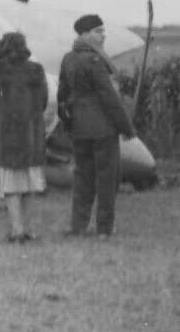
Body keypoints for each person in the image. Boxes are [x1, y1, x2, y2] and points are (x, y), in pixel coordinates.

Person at [58, 14, 136, 239]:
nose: (103, 35)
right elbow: (109, 97)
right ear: (84, 34)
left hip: (79, 128)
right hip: (103, 128)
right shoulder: (95, 60)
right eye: (98, 31)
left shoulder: (68, 58)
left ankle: (78, 226)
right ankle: (104, 228)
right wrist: (127, 128)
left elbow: (62, 95)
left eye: (103, 31)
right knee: (106, 179)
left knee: (83, 178)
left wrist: (69, 123)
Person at [0, 31, 48, 242]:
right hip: (31, 134)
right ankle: (28, 229)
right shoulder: (36, 70)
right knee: (28, 184)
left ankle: (17, 229)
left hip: (5, 134)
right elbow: (43, 101)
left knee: (10, 186)